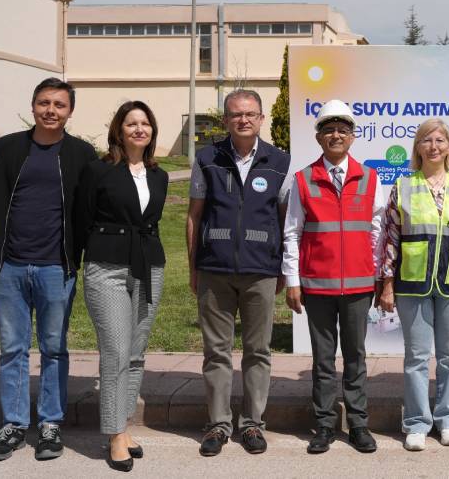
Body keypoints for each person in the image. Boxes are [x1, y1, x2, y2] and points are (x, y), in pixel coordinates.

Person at [0, 78, 98, 463]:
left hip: (58, 268)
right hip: (9, 267)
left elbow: (94, 208)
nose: (51, 110)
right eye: (44, 103)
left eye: (59, 104)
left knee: (54, 347)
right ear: (33, 106)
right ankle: (14, 424)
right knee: (12, 348)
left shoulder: (81, 154)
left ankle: (51, 424)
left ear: (70, 111)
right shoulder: (7, 149)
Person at [187, 89, 292, 457]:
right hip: (214, 269)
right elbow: (194, 216)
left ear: (261, 119)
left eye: (250, 114)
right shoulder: (206, 158)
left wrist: (283, 267)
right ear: (225, 120)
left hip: (261, 270)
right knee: (216, 351)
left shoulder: (280, 161)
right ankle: (217, 424)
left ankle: (251, 425)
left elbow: (285, 220)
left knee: (257, 351)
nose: (243, 120)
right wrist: (193, 266)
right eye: (235, 115)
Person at [283, 100, 386, 454]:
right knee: (323, 360)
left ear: (353, 136)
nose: (336, 135)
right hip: (316, 286)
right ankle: (325, 425)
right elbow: (292, 232)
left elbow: (378, 232)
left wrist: (378, 277)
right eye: (329, 129)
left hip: (359, 286)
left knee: (355, 357)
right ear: (318, 137)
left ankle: (358, 424)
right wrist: (292, 280)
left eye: (343, 129)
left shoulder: (371, 178)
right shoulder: (303, 179)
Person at [375, 118, 449, 451]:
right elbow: (390, 238)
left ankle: (448, 419)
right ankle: (417, 423)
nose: (434, 146)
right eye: (427, 140)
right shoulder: (403, 185)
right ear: (418, 147)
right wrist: (387, 284)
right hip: (412, 283)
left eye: (440, 140)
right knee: (417, 357)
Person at [75, 101, 168, 471]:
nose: (139, 129)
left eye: (146, 123)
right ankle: (114, 435)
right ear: (119, 129)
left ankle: (124, 427)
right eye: (132, 123)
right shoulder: (99, 170)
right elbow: (81, 218)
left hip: (148, 266)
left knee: (135, 352)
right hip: (106, 266)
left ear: (152, 131)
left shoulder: (158, 174)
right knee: (115, 351)